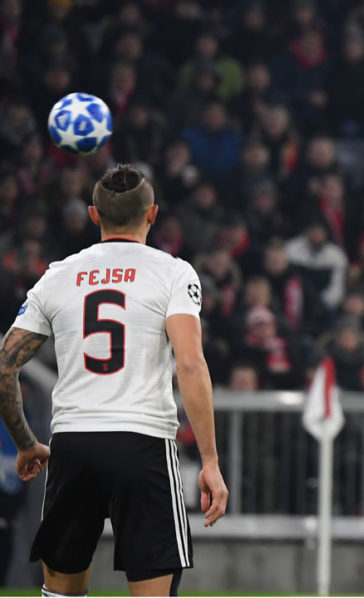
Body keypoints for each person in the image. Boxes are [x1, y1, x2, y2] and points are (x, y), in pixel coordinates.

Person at [0, 164, 228, 596]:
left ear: (93, 215)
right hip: (142, 442)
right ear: (153, 214)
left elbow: (4, 366)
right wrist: (210, 461)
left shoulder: (58, 274)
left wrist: (27, 443)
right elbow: (190, 364)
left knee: (61, 594)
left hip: (72, 444)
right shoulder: (173, 272)